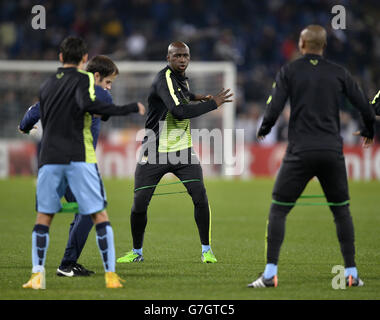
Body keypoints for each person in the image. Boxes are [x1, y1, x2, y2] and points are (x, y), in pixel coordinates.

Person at [248, 25, 375, 288]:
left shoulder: (290, 70)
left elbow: (274, 106)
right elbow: (363, 104)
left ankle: (270, 273)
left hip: (300, 151)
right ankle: (351, 273)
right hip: (331, 150)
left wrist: (264, 128)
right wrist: (369, 129)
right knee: (341, 211)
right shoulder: (339, 72)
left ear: (302, 44)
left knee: (279, 210)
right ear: (324, 46)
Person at [22, 36, 145, 289]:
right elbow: (104, 104)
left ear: (60, 58)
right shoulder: (93, 88)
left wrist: (25, 127)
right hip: (78, 160)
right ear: (94, 72)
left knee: (54, 215)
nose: (109, 88)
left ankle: (49, 269)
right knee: (93, 212)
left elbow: (34, 111)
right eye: (109, 82)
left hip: (51, 159)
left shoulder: (52, 85)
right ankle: (68, 264)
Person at [116, 41, 233, 264]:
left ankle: (206, 250)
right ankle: (136, 252)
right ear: (168, 58)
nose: (182, 60)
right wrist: (213, 104)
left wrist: (198, 97)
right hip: (154, 150)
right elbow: (178, 111)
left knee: (200, 196)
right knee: (140, 203)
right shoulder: (164, 79)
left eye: (185, 56)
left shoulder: (180, 78)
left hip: (182, 152)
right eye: (177, 56)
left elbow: (182, 94)